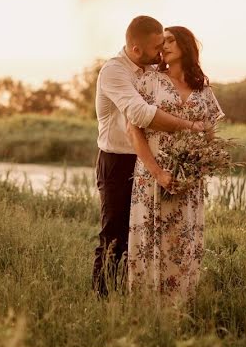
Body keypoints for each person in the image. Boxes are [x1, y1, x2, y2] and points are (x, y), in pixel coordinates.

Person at [92, 16, 212, 297]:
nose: (161, 52)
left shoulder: (151, 71)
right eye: (157, 47)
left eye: (164, 44)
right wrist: (191, 127)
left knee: (143, 234)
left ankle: (142, 294)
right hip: (117, 161)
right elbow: (139, 115)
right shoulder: (114, 72)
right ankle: (103, 299)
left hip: (144, 161)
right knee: (114, 234)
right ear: (136, 49)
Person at [127, 26, 224, 298]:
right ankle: (145, 311)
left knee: (182, 242)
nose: (164, 45)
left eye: (170, 40)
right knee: (151, 239)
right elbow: (134, 131)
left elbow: (210, 137)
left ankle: (179, 310)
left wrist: (194, 172)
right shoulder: (150, 81)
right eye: (161, 41)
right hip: (152, 175)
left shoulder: (203, 90)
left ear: (185, 45)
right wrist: (158, 173)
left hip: (188, 182)